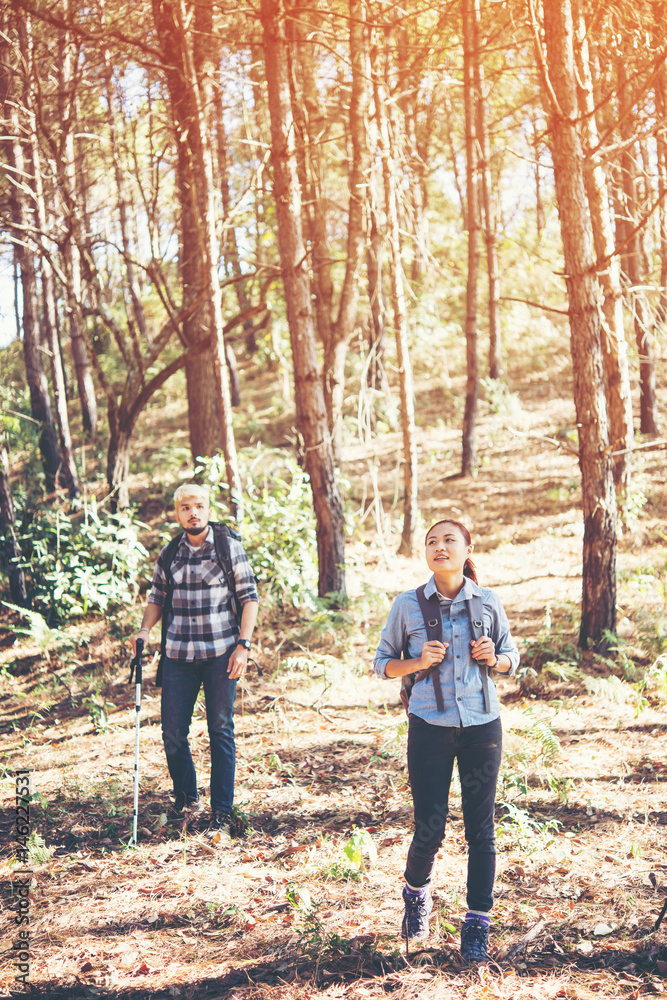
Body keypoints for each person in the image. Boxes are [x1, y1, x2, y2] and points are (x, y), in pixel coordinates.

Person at [373, 519, 519, 962]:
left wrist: (498, 659)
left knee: (481, 829)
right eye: (432, 541)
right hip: (429, 727)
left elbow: (513, 658)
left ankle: (477, 922)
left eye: (449, 540)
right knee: (430, 827)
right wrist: (415, 660)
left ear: (467, 548)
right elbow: (382, 664)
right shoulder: (408, 604)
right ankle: (416, 893)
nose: (440, 547)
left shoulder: (488, 602)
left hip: (481, 728)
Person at [131, 484, 259, 840]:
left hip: (221, 654)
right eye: (185, 507)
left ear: (208, 509)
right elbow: (157, 596)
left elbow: (250, 598)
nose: (193, 512)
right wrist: (144, 629)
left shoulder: (227, 547)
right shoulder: (171, 552)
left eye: (199, 506)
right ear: (177, 513)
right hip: (178, 656)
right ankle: (186, 800)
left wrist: (243, 646)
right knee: (172, 732)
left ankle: (222, 811)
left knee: (220, 730)